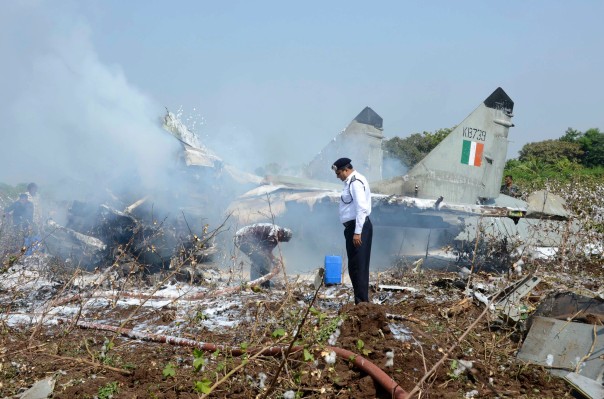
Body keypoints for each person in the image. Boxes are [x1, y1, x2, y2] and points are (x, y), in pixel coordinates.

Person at [332, 157, 373, 304]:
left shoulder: (355, 182)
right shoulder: (349, 182)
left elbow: (361, 208)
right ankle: (360, 301)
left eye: (338, 173)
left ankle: (362, 302)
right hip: (353, 228)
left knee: (359, 266)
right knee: (354, 265)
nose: (338, 176)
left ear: (346, 169)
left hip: (358, 227)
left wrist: (357, 232)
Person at [234, 223, 292, 288]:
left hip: (241, 237)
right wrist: (275, 261)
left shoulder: (275, 231)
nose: (280, 241)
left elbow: (267, 251)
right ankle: (262, 285)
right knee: (261, 260)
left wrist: (274, 260)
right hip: (242, 238)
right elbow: (266, 251)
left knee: (259, 259)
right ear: (282, 234)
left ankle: (258, 283)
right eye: (281, 239)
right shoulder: (274, 234)